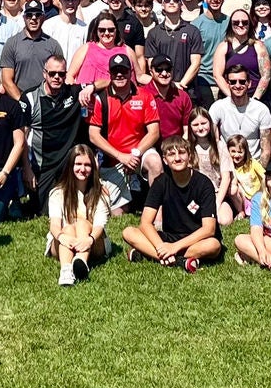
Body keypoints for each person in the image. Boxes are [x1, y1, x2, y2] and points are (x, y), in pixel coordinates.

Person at [124, 135, 224, 270]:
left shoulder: (204, 184)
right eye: (171, 154)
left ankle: (149, 254)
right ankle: (179, 261)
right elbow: (145, 223)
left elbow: (209, 229)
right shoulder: (160, 182)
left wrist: (174, 247)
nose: (177, 158)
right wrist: (161, 246)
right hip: (170, 237)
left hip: (197, 239)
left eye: (182, 153)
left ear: (189, 155)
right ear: (165, 160)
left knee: (213, 246)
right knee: (129, 232)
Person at [86, 53, 161, 206]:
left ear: (131, 72)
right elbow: (93, 135)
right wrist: (121, 156)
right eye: (115, 71)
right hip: (112, 158)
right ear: (110, 74)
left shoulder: (145, 96)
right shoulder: (101, 98)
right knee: (117, 212)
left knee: (155, 162)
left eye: (124, 71)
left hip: (138, 153)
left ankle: (158, 213)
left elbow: (154, 132)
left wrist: (135, 154)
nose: (119, 75)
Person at [47, 144, 111, 285]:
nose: (83, 169)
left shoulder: (101, 193)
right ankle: (66, 271)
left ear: (93, 168)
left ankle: (80, 260)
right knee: (69, 228)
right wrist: (62, 237)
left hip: (93, 241)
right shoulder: (57, 193)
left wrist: (89, 240)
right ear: (70, 166)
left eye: (87, 165)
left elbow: (100, 224)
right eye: (78, 164)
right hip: (64, 241)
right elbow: (55, 224)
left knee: (82, 223)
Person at [24, 54, 82, 201]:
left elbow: (104, 82)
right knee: (42, 209)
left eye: (61, 74)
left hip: (67, 161)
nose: (57, 77)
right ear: (44, 73)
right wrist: (27, 168)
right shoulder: (30, 97)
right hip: (42, 164)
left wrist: (91, 88)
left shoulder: (73, 92)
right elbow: (22, 138)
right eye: (52, 73)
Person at [208, 63, 271, 163]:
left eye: (242, 82)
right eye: (233, 82)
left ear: (249, 83)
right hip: (226, 163)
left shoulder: (261, 109)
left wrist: (257, 174)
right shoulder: (218, 107)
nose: (237, 85)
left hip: (253, 164)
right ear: (228, 84)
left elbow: (266, 151)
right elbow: (212, 142)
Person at [0, 3, 63, 100]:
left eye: (38, 15)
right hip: (19, 101)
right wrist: (23, 101)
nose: (33, 18)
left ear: (43, 17)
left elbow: (60, 75)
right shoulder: (12, 43)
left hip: (47, 102)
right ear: (24, 17)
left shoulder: (53, 45)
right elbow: (6, 80)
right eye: (29, 15)